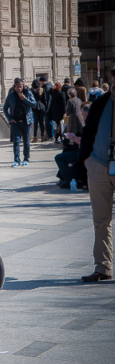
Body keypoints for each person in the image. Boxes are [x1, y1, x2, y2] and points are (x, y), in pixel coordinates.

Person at [78, 67, 115, 282]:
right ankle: (103, 267)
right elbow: (88, 131)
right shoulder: (101, 103)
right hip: (99, 166)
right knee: (101, 221)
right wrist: (87, 160)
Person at [54, 88, 85, 188]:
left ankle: (66, 179)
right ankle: (63, 177)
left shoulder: (70, 101)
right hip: (79, 123)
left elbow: (68, 111)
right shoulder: (79, 100)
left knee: (64, 152)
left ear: (69, 95)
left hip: (73, 121)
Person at [3, 78, 37, 167]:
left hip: (26, 121)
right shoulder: (11, 96)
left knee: (26, 141)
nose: (19, 89)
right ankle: (16, 160)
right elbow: (5, 108)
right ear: (14, 86)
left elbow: (34, 104)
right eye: (17, 87)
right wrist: (10, 118)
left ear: (23, 86)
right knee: (16, 142)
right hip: (16, 122)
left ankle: (26, 159)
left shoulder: (28, 93)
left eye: (20, 86)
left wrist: (25, 99)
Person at [31, 79, 46, 143]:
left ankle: (35, 137)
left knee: (36, 123)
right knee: (41, 123)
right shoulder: (41, 89)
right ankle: (42, 136)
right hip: (41, 107)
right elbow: (44, 99)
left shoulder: (32, 90)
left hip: (35, 107)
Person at [39, 76, 54, 141]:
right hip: (48, 107)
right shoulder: (46, 87)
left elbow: (48, 99)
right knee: (48, 122)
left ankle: (51, 136)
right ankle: (50, 135)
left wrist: (47, 108)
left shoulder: (46, 88)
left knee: (48, 122)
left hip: (47, 108)